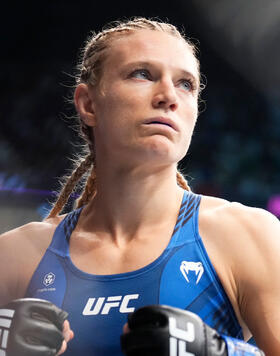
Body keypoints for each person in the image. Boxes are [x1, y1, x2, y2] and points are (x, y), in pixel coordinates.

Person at [0, 17, 279, 356]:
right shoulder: (16, 256)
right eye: (142, 74)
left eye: (185, 84)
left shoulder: (245, 234)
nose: (168, 96)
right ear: (89, 104)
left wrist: (221, 352)